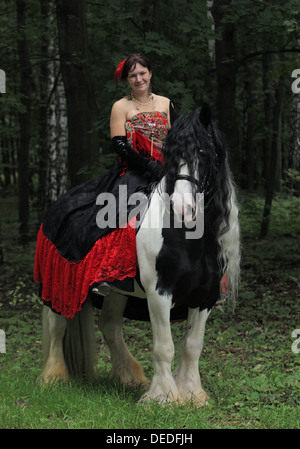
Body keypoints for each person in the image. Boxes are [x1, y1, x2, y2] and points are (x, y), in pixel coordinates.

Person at [34, 53, 177, 319]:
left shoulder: (167, 104)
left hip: (167, 172)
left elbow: (177, 140)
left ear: (150, 73)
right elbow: (120, 146)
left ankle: (209, 278)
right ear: (127, 80)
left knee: (198, 211)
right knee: (118, 215)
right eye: (133, 75)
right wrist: (149, 167)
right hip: (134, 173)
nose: (138, 79)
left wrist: (170, 168)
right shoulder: (120, 106)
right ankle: (108, 276)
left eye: (142, 73)